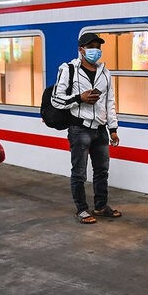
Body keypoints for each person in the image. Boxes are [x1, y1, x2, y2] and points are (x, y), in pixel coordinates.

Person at [52, 32, 121, 224]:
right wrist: (78, 98)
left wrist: (113, 128)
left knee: (101, 170)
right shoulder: (68, 69)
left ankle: (100, 206)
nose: (96, 50)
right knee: (79, 172)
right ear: (81, 49)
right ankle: (82, 209)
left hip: (100, 129)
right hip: (79, 128)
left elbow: (110, 102)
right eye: (91, 46)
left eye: (98, 47)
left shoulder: (105, 72)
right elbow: (56, 99)